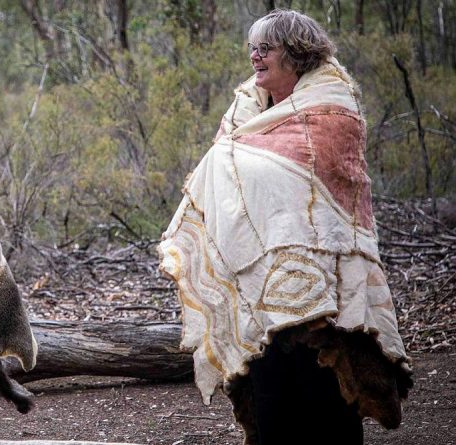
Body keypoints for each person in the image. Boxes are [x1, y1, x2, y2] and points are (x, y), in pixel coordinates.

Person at [158, 9, 412, 445]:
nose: (255, 57)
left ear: (296, 53)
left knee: (326, 400)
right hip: (256, 284)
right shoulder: (245, 110)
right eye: (252, 49)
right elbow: (223, 168)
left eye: (266, 49)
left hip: (324, 286)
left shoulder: (333, 110)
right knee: (270, 399)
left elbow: (330, 194)